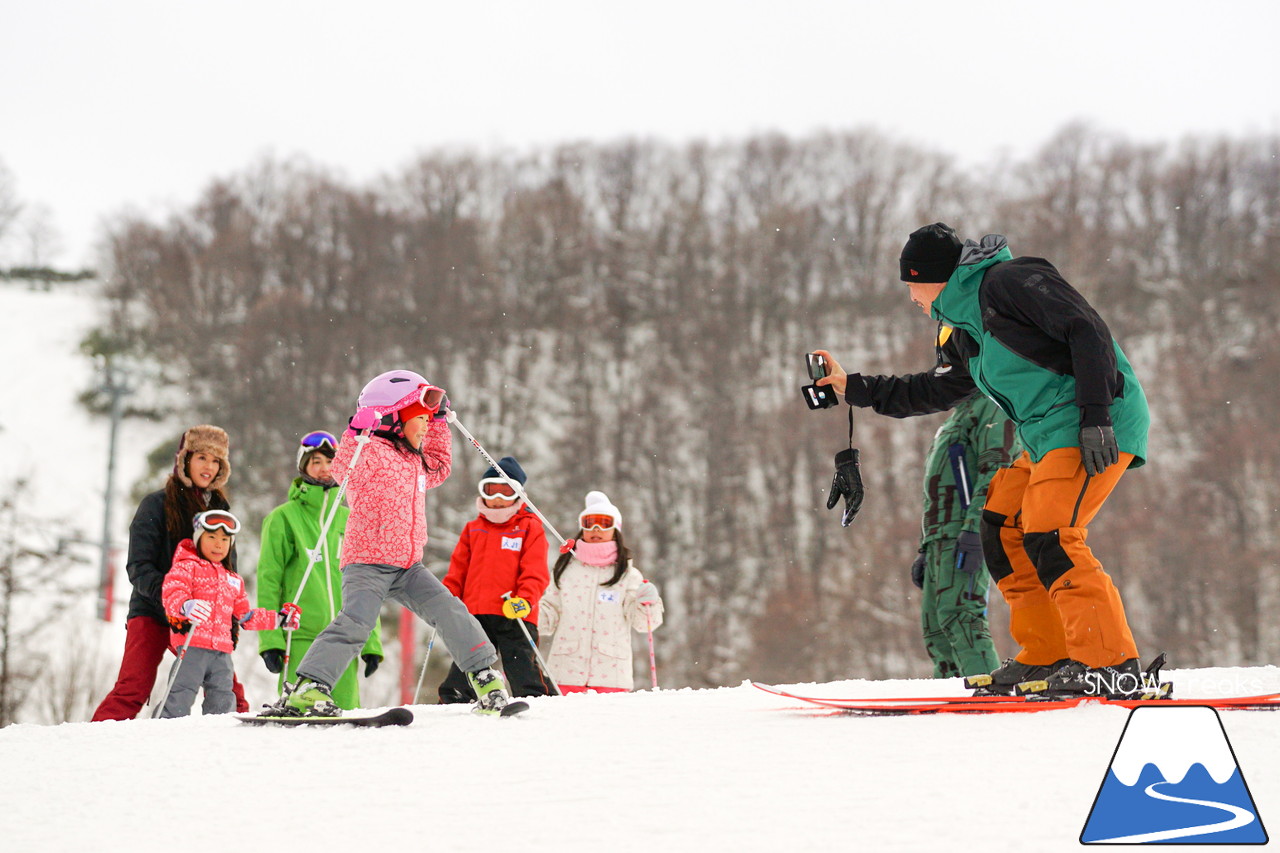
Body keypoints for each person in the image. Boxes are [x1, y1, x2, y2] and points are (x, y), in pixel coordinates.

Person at [815, 222, 1150, 697]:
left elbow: (1087, 329)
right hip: (1044, 435)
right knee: (1001, 524)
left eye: (910, 284)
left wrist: (1096, 416)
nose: (909, 296)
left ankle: (1111, 664)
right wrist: (854, 388)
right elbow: (938, 388)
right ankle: (1047, 654)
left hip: (1092, 419)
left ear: (930, 276)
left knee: (1052, 533)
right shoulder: (960, 328)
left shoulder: (1009, 281)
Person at [270, 370, 515, 716]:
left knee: (450, 610)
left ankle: (485, 677)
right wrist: (356, 432)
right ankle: (310, 686)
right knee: (356, 622)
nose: (426, 426)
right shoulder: (369, 453)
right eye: (421, 419)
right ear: (392, 418)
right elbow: (343, 468)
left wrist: (441, 422)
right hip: (367, 561)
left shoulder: (415, 461)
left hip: (408, 565)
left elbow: (441, 466)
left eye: (429, 420)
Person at [93, 425, 250, 721]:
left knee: (229, 692)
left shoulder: (219, 509)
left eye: (216, 461)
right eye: (202, 457)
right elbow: (138, 567)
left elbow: (228, 569)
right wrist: (173, 598)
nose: (208, 466)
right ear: (185, 459)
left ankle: (236, 753)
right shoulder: (156, 504)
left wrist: (228, 619)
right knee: (133, 688)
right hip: (152, 611)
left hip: (201, 620)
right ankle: (91, 745)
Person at [910, 344, 1020, 678]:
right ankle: (951, 692)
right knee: (936, 624)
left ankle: (985, 690)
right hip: (940, 538)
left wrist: (975, 531)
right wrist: (925, 547)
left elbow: (996, 473)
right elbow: (938, 485)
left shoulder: (993, 406)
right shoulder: (960, 412)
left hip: (964, 532)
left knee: (961, 615)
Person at [257, 430, 384, 710]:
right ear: (303, 467)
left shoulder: (350, 519)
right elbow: (268, 581)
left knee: (344, 720)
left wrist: (372, 641)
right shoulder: (283, 519)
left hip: (344, 638)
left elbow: (368, 585)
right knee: (301, 713)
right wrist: (269, 639)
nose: (324, 468)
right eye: (315, 461)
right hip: (300, 637)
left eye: (330, 461)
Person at [159, 511, 302, 717]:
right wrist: (185, 606)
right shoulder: (186, 566)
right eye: (212, 537)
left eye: (225, 540)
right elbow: (172, 593)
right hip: (192, 646)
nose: (219, 544)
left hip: (221, 652)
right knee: (182, 691)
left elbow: (245, 616)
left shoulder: (233, 579)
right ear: (198, 539)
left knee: (223, 695)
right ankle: (166, 726)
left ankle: (218, 731)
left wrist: (279, 619)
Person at [437, 455, 553, 703]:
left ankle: (535, 699)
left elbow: (536, 571)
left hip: (514, 612)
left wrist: (525, 600)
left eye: (506, 492)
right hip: (475, 612)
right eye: (492, 491)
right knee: (469, 659)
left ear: (518, 494)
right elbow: (457, 571)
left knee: (520, 662)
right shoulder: (473, 529)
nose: (498, 499)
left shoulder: (529, 527)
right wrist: (444, 602)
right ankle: (455, 698)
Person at [540, 491, 664, 693]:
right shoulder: (565, 570)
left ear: (615, 529)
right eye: (589, 522)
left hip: (611, 676)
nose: (595, 529)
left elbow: (644, 624)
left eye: (604, 523)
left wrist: (647, 603)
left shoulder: (627, 574)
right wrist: (527, 608)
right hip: (565, 672)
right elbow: (548, 617)